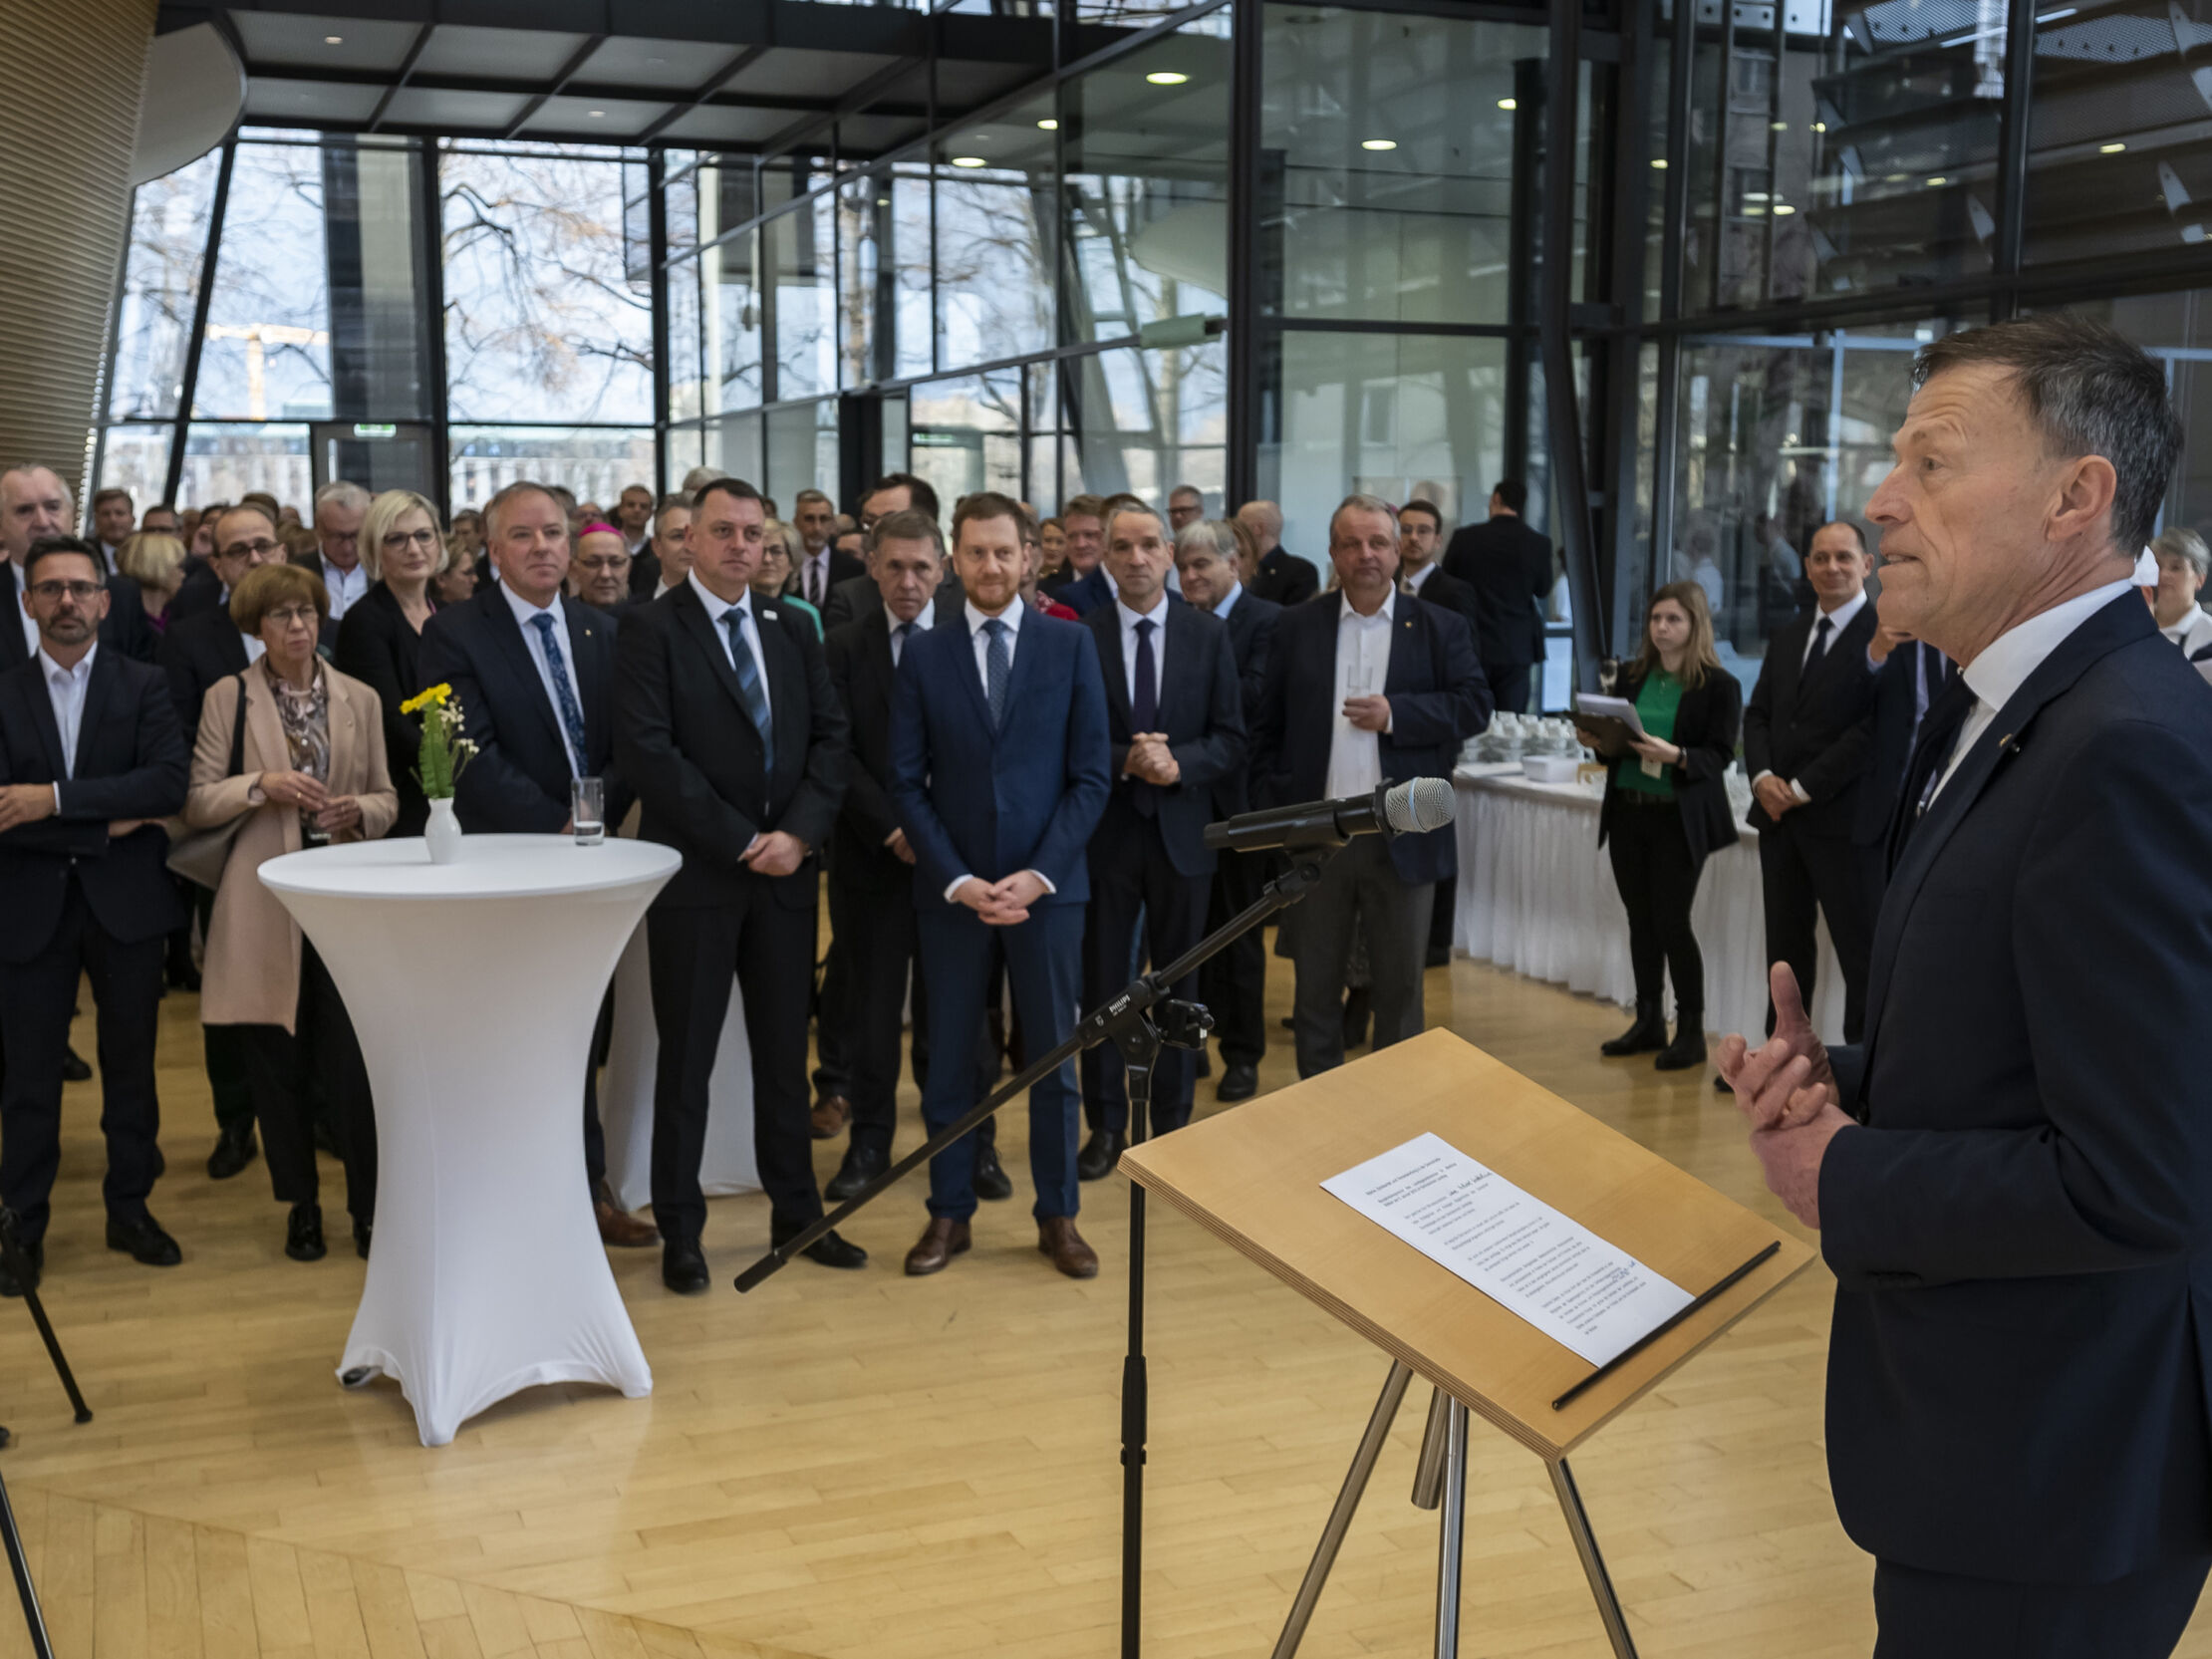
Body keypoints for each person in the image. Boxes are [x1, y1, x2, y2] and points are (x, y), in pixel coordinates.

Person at [1720, 313, 2212, 1658]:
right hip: (1999, 1449)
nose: (1881, 497)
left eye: (1932, 462)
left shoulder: (2124, 750)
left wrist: (1845, 1173)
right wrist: (1849, 1080)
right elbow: (2041, 1049)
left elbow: (2144, 1175)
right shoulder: (2007, 710)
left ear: (2078, 497)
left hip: (2060, 1463)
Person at [616, 475, 862, 1291]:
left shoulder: (792, 628)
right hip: (699, 879)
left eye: (753, 534)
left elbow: (832, 740)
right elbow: (652, 753)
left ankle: (799, 1213)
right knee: (684, 1060)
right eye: (722, 531)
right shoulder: (649, 630)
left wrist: (796, 834)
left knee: (783, 1057)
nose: (739, 547)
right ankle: (682, 1229)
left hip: (787, 878)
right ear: (689, 540)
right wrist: (742, 838)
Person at [417, 481, 653, 1250]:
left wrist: (594, 817)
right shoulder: (449, 633)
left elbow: (625, 742)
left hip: (593, 863)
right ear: (492, 551)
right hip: (506, 868)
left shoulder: (602, 628)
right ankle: (505, 1199)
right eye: (523, 535)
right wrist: (554, 823)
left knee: (585, 1031)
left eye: (554, 532)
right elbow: (462, 749)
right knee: (512, 1036)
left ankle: (585, 1194)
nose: (544, 547)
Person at [889, 490, 1110, 1278]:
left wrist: (1038, 874)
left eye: (1003, 552)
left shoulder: (1068, 646)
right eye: (975, 552)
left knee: (1052, 1056)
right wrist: (956, 879)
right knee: (949, 1057)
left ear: (1030, 559)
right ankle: (949, 1213)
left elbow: (1090, 776)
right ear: (955, 560)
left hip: (1048, 889)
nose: (990, 565)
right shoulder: (924, 653)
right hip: (954, 896)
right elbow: (906, 783)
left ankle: (1059, 1215)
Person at [186, 563, 393, 1262]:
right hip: (264, 900)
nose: (297, 627)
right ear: (256, 626)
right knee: (278, 1067)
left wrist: (356, 809)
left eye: (305, 612)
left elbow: (389, 798)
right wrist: (260, 786)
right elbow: (198, 801)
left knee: (354, 1067)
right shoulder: (228, 697)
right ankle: (301, 1207)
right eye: (280, 616)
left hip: (343, 900)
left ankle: (368, 1209)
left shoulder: (358, 697)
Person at [0, 537, 190, 1295]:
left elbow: (167, 785)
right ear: (29, 602)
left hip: (127, 907)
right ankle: (23, 1226)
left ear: (105, 602)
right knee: (28, 1077)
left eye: (81, 588)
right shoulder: (3, 690)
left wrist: (50, 800)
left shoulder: (144, 683)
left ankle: (130, 1208)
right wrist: (104, 818)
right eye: (51, 589)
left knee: (132, 1067)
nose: (67, 601)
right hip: (28, 908)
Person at [1252, 495, 1488, 1078]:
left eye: (1379, 542)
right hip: (1317, 835)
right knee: (1314, 992)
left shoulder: (1439, 627)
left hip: (1401, 834)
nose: (1367, 554)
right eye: (1352, 543)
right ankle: (1319, 1113)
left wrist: (1397, 714)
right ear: (1332, 553)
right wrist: (1276, 804)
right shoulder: (1295, 625)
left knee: (1401, 994)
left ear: (1400, 551)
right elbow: (1264, 725)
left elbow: (1474, 705)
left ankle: (1394, 1126)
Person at [1075, 503, 1244, 1176]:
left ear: (1170, 553)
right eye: (1123, 546)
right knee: (1102, 985)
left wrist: (1181, 764)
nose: (1137, 558)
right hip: (1106, 836)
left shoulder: (1208, 637)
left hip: (1182, 834)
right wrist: (1126, 758)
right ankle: (1105, 1126)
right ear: (1106, 558)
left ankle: (1174, 1128)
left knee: (1183, 987)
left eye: (1150, 545)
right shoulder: (1078, 638)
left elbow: (1232, 738)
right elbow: (1068, 738)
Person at [819, 509, 946, 1201]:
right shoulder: (839, 646)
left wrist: (933, 837)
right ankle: (869, 1142)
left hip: (950, 862)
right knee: (871, 1012)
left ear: (942, 568)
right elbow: (834, 751)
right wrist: (894, 829)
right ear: (871, 566)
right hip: (871, 857)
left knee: (950, 1008)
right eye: (893, 566)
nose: (907, 580)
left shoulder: (964, 642)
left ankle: (963, 1140)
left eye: (921, 566)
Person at [159, 503, 283, 1179]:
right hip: (230, 832)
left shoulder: (321, 626)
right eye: (240, 551)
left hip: (314, 835)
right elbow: (175, 740)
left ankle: (315, 1110)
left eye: (266, 545)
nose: (256, 559)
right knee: (231, 986)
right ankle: (235, 1120)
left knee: (315, 980)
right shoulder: (189, 638)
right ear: (218, 565)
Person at [1581, 582, 1741, 1072]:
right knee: (1640, 921)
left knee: (1673, 922)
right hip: (1629, 811)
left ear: (1695, 625)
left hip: (1678, 817)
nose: (1662, 628)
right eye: (1656, 620)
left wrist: (1678, 756)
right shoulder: (1633, 676)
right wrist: (1599, 743)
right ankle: (1648, 1019)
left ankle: (1690, 1031)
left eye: (1673, 619)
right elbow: (1615, 743)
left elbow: (1720, 755)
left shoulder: (1718, 684)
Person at [1742, 519, 1881, 1044]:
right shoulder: (1790, 633)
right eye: (1821, 558)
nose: (1832, 567)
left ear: (1868, 565)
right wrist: (1761, 779)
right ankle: (1780, 1061)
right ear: (1806, 568)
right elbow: (1758, 715)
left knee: (1859, 956)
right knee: (1784, 954)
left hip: (1843, 820)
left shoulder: (1887, 636)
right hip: (1779, 823)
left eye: (1844, 557)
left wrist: (1799, 788)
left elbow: (1872, 731)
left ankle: (1862, 1079)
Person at [1176, 518, 1278, 1103]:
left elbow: (1255, 701)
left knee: (1238, 938)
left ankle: (1243, 1056)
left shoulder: (1267, 622)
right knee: (1185, 937)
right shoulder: (1176, 622)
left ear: (1232, 564)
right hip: (1181, 803)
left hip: (1240, 809)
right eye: (1184, 567)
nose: (1191, 577)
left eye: (1202, 566)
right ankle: (1190, 1044)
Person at [333, 489, 444, 838]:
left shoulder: (449, 615)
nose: (414, 549)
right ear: (374, 548)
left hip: (450, 788)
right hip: (402, 793)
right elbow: (389, 721)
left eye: (423, 536)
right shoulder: (365, 620)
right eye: (396, 539)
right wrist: (449, 770)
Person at [1852, 612, 1958, 916]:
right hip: (1885, 812)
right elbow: (1844, 710)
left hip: (1948, 808)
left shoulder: (1969, 641)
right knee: (1877, 928)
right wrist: (1876, 653)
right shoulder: (1884, 634)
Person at [2, 465, 155, 669]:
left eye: (53, 507)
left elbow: (137, 681)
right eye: (25, 510)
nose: (42, 521)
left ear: (72, 514)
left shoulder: (121, 596)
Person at [1440, 479, 1554, 714]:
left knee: (1468, 717)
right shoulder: (1539, 544)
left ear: (1496, 499)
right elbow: (1542, 589)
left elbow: (1447, 582)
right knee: (1510, 723)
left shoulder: (1465, 538)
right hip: (1516, 647)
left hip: (1471, 643)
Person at [820, 473, 944, 629]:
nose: (877, 530)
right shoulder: (850, 598)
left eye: (891, 519)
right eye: (870, 522)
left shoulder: (965, 598)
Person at [295, 480, 370, 631]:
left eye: (356, 535)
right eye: (337, 536)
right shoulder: (296, 572)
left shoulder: (386, 570)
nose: (348, 547)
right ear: (318, 526)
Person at [2149, 527, 2212, 681]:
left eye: (2176, 567)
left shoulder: (2208, 636)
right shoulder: (2134, 624)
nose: (2163, 574)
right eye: (2157, 565)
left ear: (2200, 579)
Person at [1236, 499, 1320, 608]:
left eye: (1241, 528)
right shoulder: (1237, 568)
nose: (1236, 535)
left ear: (1258, 529)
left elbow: (1296, 619)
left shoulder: (1300, 572)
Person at [1039, 494, 1111, 614]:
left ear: (1108, 536)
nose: (1080, 544)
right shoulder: (1045, 591)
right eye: (1071, 536)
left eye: (1089, 535)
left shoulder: (1123, 588)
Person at [789, 489, 859, 607]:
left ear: (832, 524)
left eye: (824, 519)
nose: (817, 528)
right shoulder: (786, 565)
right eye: (809, 519)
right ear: (796, 522)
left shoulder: (854, 568)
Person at [755, 520, 823, 639]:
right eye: (760, 552)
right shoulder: (736, 608)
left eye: (776, 552)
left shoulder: (806, 613)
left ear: (791, 562)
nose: (767, 559)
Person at [116, 530, 187, 630]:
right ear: (158, 567)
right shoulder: (124, 624)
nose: (183, 575)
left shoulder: (177, 618)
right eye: (179, 566)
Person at [633, 494, 692, 600]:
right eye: (678, 536)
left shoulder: (728, 612)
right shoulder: (627, 614)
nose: (690, 547)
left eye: (697, 536)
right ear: (657, 546)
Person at [570, 522, 634, 612]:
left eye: (615, 563)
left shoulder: (646, 617)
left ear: (629, 568)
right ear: (574, 569)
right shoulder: (562, 616)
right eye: (593, 563)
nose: (605, 574)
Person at [90, 487, 135, 569]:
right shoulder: (84, 554)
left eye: (119, 513)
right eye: (106, 514)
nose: (113, 519)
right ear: (96, 520)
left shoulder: (144, 554)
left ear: (132, 519)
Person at [614, 483, 655, 560]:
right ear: (620, 510)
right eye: (631, 505)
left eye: (643, 506)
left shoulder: (657, 549)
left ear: (651, 513)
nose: (637, 510)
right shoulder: (608, 544)